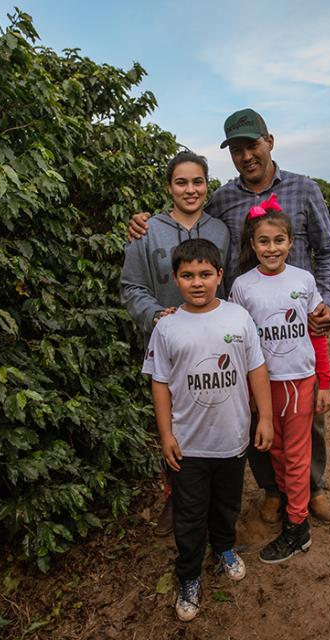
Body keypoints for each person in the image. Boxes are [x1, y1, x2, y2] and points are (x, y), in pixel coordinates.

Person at [129, 108, 330, 525]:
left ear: (270, 142)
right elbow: (187, 215)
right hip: (246, 327)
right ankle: (271, 488)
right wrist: (143, 222)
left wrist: (329, 302)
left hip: (297, 326)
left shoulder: (304, 189)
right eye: (238, 150)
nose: (247, 156)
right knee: (252, 411)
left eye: (253, 146)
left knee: (304, 414)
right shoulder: (224, 198)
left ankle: (311, 486)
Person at [143, 238, 273, 622]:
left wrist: (264, 417)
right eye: (187, 276)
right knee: (189, 512)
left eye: (204, 274)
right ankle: (188, 576)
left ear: (219, 275)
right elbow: (160, 383)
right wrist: (166, 435)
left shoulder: (238, 318)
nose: (196, 282)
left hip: (232, 440)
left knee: (227, 504)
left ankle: (224, 548)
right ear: (175, 279)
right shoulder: (167, 328)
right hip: (189, 445)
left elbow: (256, 369)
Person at [120, 151, 230, 536]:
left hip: (214, 346)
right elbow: (131, 286)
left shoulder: (220, 230)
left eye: (197, 182)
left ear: (207, 185)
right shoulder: (147, 231)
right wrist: (155, 315)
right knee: (172, 422)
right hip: (170, 347)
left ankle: (217, 494)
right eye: (181, 182)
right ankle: (176, 493)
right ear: (169, 187)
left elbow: (225, 284)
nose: (190, 189)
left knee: (212, 413)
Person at [230, 197, 330, 563]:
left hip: (299, 381)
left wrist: (326, 381)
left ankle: (298, 526)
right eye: (263, 241)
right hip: (264, 383)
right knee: (272, 447)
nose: (271, 248)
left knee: (296, 453)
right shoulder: (242, 287)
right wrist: (247, 391)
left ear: (290, 243)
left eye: (278, 240)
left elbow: (317, 333)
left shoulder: (303, 279)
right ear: (252, 245)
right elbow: (241, 342)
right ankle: (292, 504)